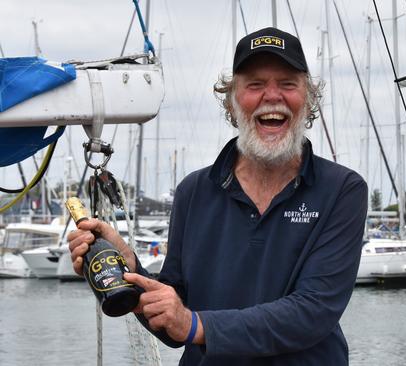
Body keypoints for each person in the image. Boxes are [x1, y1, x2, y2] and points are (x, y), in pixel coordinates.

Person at [68, 27, 368, 365]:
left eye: (287, 84)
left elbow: (312, 312)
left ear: (308, 98)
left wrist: (195, 325)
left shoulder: (342, 189)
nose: (272, 96)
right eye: (254, 85)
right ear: (232, 100)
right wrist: (128, 268)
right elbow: (174, 323)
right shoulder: (193, 191)